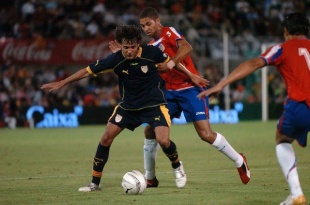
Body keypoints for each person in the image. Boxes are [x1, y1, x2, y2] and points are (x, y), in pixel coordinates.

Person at [109, 7, 250, 188]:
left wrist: (174, 65)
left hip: (191, 90)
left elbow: (187, 47)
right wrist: (118, 55)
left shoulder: (169, 32)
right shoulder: (150, 48)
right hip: (168, 93)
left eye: (148, 24)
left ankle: (239, 160)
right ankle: (150, 178)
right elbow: (134, 63)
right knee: (150, 130)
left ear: (158, 20)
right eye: (143, 26)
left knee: (205, 134)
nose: (146, 28)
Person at [41, 25, 189, 191]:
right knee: (106, 138)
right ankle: (94, 184)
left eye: (132, 47)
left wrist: (191, 76)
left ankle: (177, 167)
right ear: (121, 45)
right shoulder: (115, 59)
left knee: (163, 140)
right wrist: (62, 82)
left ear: (138, 44)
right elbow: (86, 71)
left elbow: (174, 64)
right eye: (125, 47)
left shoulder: (151, 53)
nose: (129, 51)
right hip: (128, 107)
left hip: (154, 105)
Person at [198, 12, 309, 205]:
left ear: (286, 31)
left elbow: (253, 63)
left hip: (300, 104)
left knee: (282, 139)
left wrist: (221, 84)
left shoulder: (282, 49)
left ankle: (296, 193)